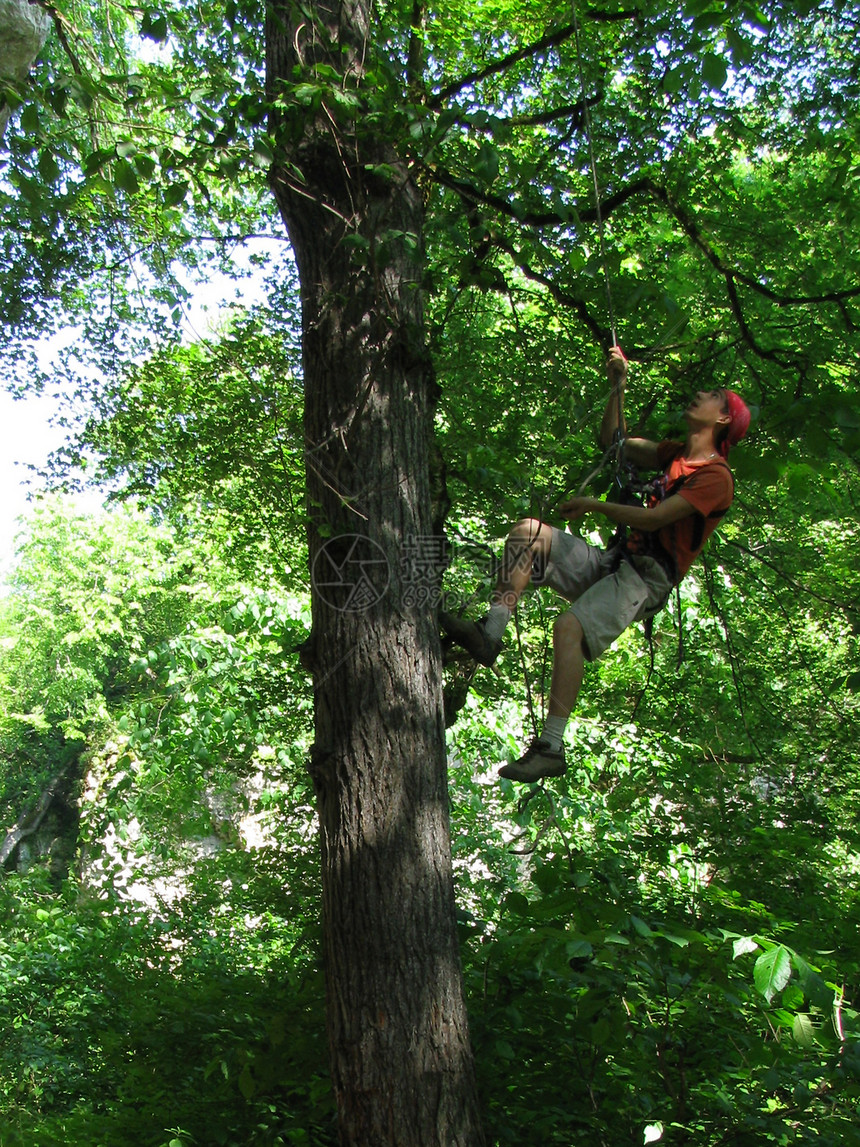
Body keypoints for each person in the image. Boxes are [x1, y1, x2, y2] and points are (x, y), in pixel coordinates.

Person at [440, 347, 751, 783]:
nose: (700, 394)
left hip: (645, 579)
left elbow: (656, 518)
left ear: (722, 420)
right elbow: (615, 443)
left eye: (713, 395)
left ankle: (551, 745)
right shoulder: (674, 455)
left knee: (569, 627)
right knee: (529, 532)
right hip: (616, 561)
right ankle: (490, 634)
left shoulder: (716, 477)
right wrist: (617, 387)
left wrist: (593, 505)